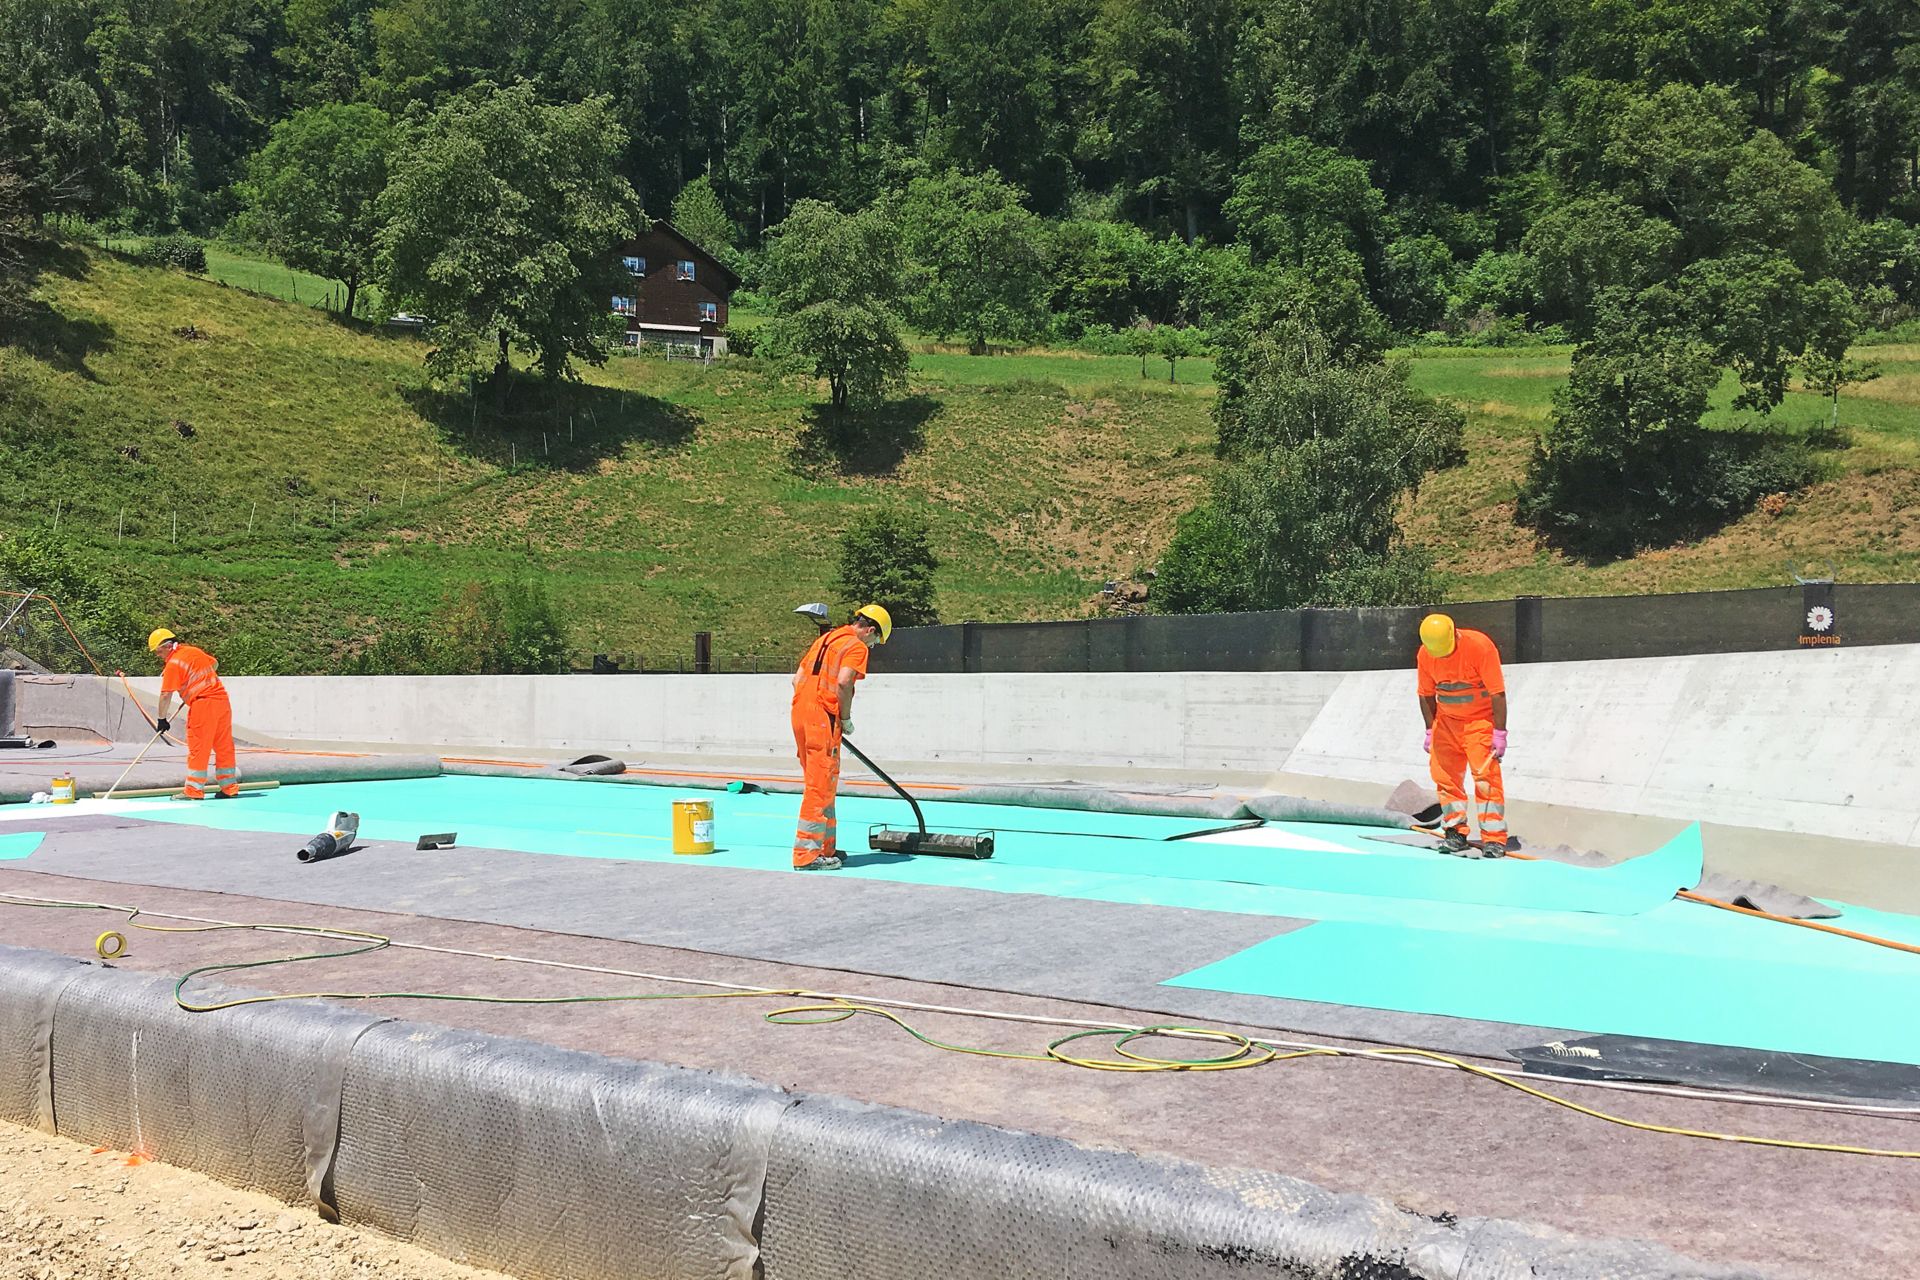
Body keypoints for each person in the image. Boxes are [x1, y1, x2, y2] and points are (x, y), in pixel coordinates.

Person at [790, 604, 891, 870]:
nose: (872, 646)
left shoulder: (826, 639)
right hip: (822, 717)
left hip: (800, 711)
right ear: (870, 630)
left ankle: (826, 847)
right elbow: (845, 682)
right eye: (876, 640)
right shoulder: (855, 646)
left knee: (823, 781)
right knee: (819, 785)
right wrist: (844, 718)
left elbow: (796, 678)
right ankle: (806, 856)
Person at [1415, 613, 1508, 856]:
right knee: (1445, 778)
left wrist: (1499, 732)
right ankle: (1455, 832)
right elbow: (1425, 694)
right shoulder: (1426, 654)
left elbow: (1497, 693)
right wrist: (1429, 729)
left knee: (1486, 779)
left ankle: (1494, 839)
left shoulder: (1479, 647)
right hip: (1446, 723)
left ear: (1454, 634)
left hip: (1479, 722)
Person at [149, 628, 240, 800]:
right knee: (224, 747)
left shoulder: (174, 664)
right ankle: (230, 788)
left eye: (158, 651)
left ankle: (194, 791)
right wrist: (195, 684)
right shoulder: (193, 651)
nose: (158, 655)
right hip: (221, 702)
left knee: (199, 747)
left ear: (167, 646)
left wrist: (161, 719)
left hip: (203, 705)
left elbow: (165, 695)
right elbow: (214, 664)